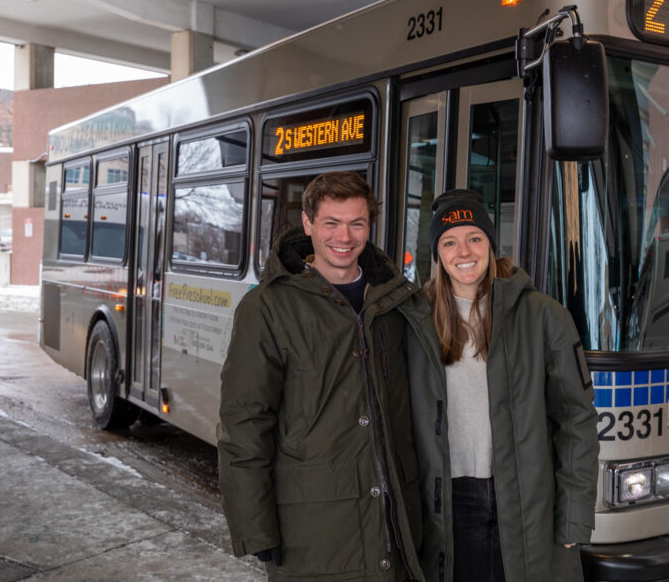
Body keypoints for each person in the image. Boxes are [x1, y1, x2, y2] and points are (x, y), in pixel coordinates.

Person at [218, 171, 423, 581]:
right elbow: (244, 420)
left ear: (370, 226)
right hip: (312, 532)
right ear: (308, 224)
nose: (344, 237)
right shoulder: (268, 307)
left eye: (356, 223)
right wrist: (254, 526)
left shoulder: (395, 302)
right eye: (331, 222)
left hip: (394, 527)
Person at [402, 189, 599, 582]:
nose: (464, 251)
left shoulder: (543, 316)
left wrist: (573, 519)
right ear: (437, 253)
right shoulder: (414, 323)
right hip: (446, 509)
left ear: (491, 244)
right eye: (449, 242)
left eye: (474, 238)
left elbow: (576, 421)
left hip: (526, 506)